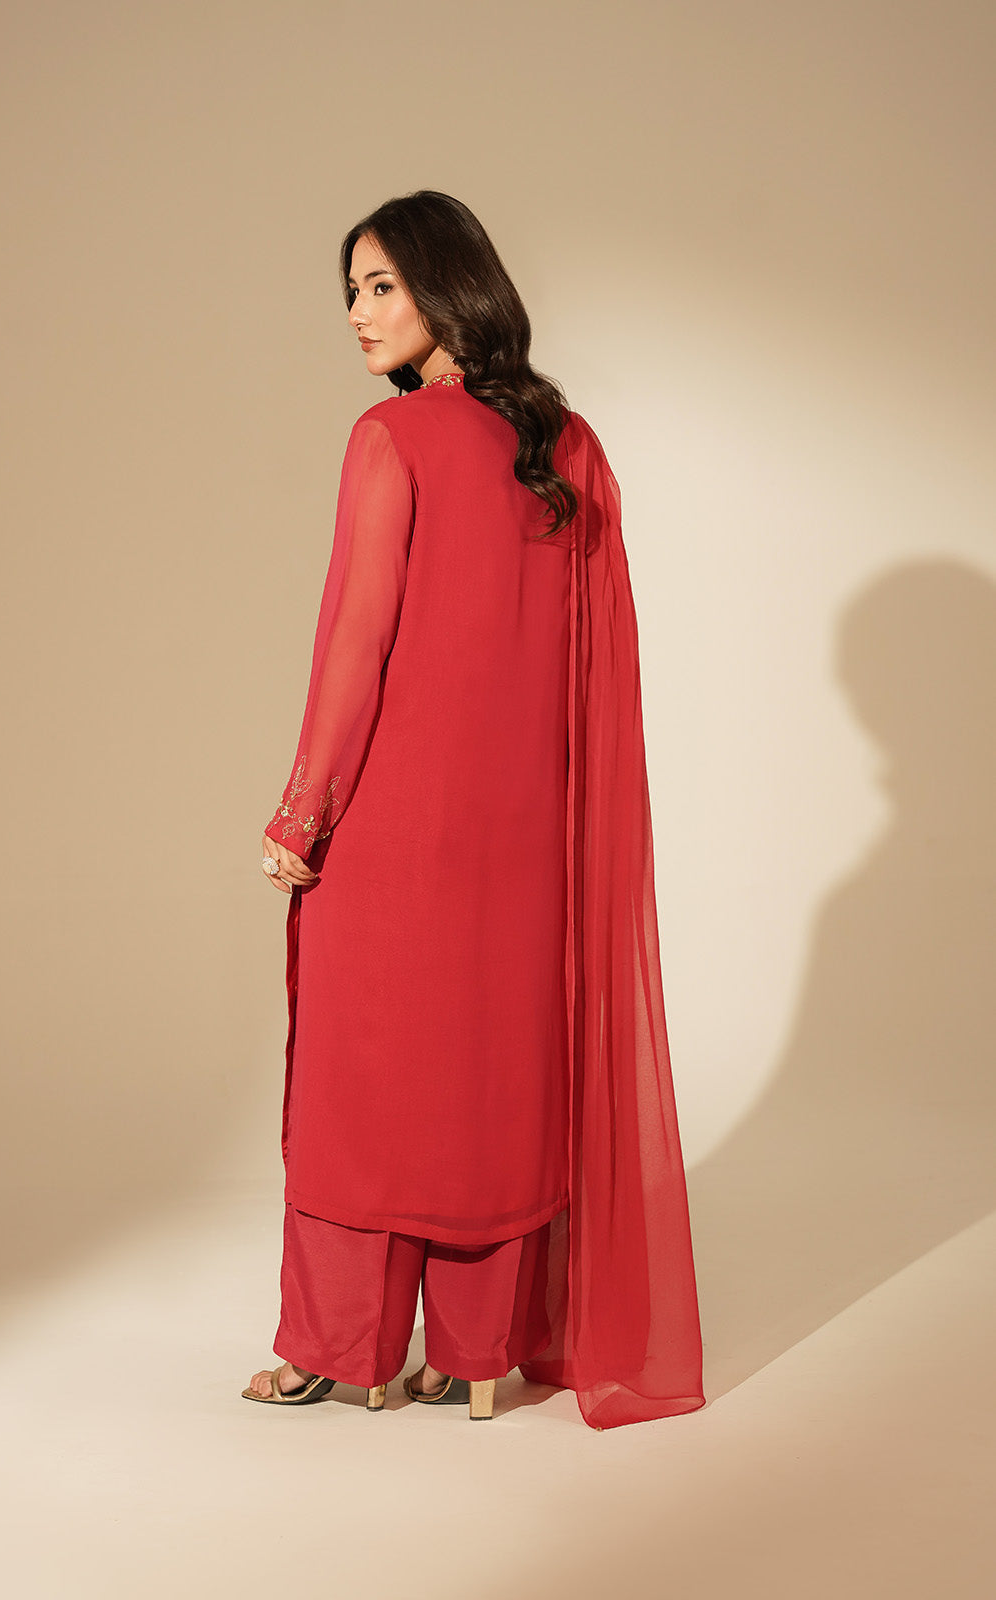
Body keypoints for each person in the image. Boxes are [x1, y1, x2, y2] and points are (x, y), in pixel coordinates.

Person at [243, 191, 705, 1429]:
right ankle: (476, 1352)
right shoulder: (567, 445)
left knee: (355, 1084)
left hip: (393, 829)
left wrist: (301, 815)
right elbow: (587, 668)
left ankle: (337, 1347)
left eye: (380, 286)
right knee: (487, 1078)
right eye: (350, 291)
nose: (356, 314)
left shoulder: (389, 438)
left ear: (447, 286)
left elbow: (357, 644)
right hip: (523, 841)